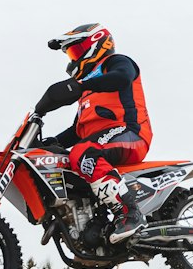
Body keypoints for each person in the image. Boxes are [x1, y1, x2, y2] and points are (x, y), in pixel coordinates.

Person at [34, 24, 153, 243]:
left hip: (130, 133)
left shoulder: (116, 63)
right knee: (65, 162)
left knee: (83, 154)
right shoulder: (88, 93)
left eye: (76, 51)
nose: (74, 59)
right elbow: (76, 131)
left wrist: (80, 85)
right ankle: (96, 221)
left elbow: (122, 78)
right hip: (104, 141)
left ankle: (129, 213)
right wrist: (50, 143)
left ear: (98, 44)